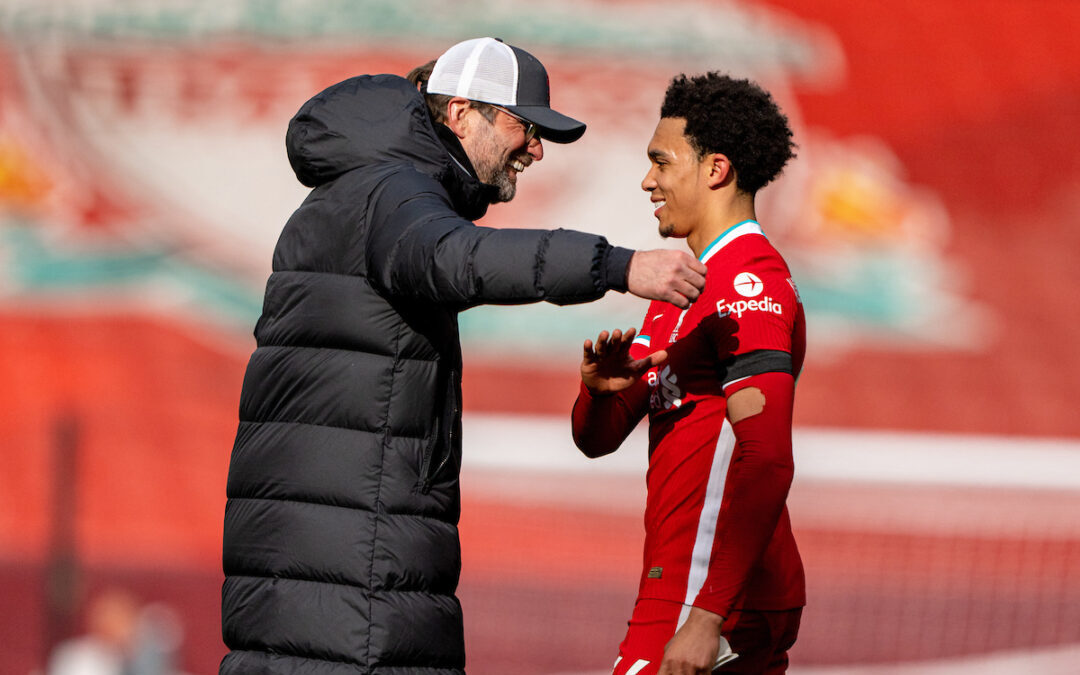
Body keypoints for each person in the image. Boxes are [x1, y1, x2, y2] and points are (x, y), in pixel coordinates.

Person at [219, 37, 707, 675]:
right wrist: (618, 265)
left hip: (326, 575)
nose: (535, 149)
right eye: (524, 126)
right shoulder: (394, 193)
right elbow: (455, 260)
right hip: (354, 588)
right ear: (459, 114)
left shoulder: (366, 189)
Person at [571, 72, 806, 675]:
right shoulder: (683, 288)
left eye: (662, 162)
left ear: (715, 170)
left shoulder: (750, 283)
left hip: (701, 590)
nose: (648, 181)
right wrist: (599, 393)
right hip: (701, 584)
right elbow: (598, 440)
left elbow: (768, 455)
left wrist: (706, 618)